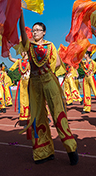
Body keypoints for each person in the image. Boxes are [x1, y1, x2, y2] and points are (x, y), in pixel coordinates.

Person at [19, 12, 78, 165]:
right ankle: (43, 151)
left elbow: (57, 63)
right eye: (33, 30)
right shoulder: (28, 45)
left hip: (49, 80)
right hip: (34, 83)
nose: (35, 32)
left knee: (58, 113)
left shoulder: (50, 45)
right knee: (37, 116)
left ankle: (71, 148)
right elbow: (22, 33)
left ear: (44, 32)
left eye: (38, 30)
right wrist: (20, 14)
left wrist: (46, 70)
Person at [9, 51, 31, 121]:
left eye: (23, 50)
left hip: (31, 82)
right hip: (23, 83)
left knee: (32, 99)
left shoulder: (31, 59)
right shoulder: (19, 61)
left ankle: (40, 116)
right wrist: (9, 53)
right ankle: (26, 116)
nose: (21, 52)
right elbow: (11, 59)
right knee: (23, 99)